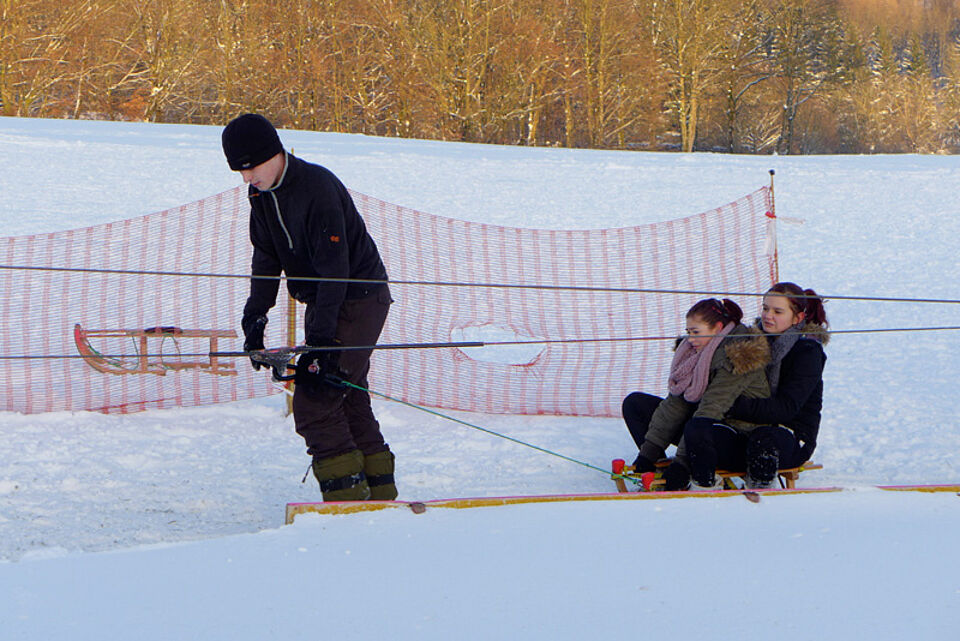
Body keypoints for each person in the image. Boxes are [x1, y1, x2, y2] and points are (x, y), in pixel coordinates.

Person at [221, 113, 397, 502]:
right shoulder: (260, 196)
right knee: (347, 397)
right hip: (323, 300)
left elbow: (335, 270)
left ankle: (347, 503)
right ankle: (380, 500)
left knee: (317, 400)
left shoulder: (317, 187)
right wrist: (255, 317)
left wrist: (320, 343)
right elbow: (266, 259)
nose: (247, 177)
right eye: (239, 170)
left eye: (251, 167)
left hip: (358, 297)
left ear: (272, 153)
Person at [622, 298, 771, 490]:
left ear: (717, 328)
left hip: (739, 435)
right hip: (705, 426)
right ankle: (658, 467)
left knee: (698, 426)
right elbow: (676, 403)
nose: (690, 339)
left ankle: (687, 472)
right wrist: (647, 454)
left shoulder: (739, 354)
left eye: (696, 332)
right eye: (688, 332)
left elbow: (711, 407)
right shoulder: (694, 353)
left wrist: (681, 464)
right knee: (635, 404)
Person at [722, 282, 829, 489]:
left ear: (797, 318)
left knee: (764, 440)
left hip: (789, 435)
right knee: (700, 429)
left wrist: (731, 405)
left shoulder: (807, 351)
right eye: (765, 308)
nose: (768, 316)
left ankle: (761, 491)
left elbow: (786, 408)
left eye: (777, 311)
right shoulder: (751, 341)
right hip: (745, 428)